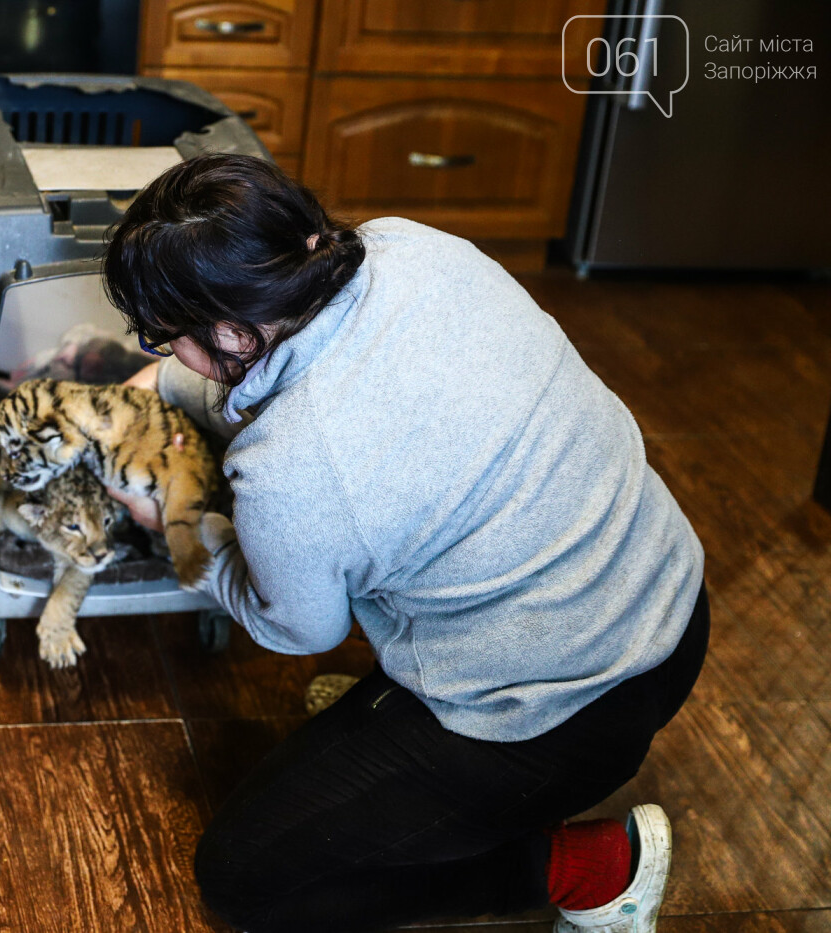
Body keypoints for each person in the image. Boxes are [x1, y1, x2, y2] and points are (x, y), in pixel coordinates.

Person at [101, 153, 707, 933]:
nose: (161, 353)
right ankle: (392, 723)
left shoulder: (290, 468)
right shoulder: (411, 246)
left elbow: (298, 629)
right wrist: (166, 387)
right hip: (668, 599)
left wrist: (179, 530)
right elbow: (300, 379)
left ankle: (589, 869)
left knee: (247, 879)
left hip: (555, 717)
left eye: (161, 339)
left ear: (229, 329)